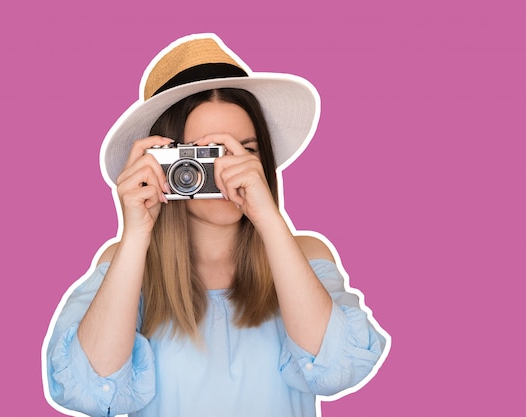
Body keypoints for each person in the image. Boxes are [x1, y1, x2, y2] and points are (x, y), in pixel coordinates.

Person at [43, 33, 389, 417]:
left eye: (244, 150)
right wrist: (136, 234)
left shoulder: (306, 254)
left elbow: (340, 367)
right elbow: (90, 388)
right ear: (162, 162)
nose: (225, 172)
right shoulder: (129, 262)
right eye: (203, 155)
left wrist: (269, 218)